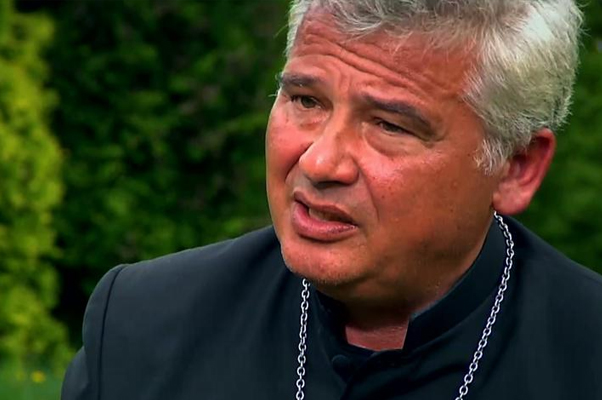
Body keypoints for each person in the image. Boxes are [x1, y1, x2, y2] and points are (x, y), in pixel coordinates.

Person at [62, 0, 602, 399]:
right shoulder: (142, 323)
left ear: (515, 167)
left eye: (389, 125)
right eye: (305, 100)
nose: (320, 162)